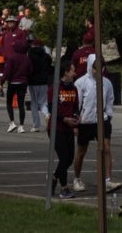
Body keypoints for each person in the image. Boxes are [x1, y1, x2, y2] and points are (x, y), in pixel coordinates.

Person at [72, 54, 121, 193]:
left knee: (106, 148)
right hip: (85, 121)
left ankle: (107, 180)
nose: (98, 71)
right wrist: (76, 123)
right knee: (81, 151)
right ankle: (77, 178)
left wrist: (109, 115)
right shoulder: (80, 83)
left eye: (101, 68)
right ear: (90, 67)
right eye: (95, 68)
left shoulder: (107, 83)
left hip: (102, 120)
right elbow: (77, 104)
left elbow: (110, 100)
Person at [49, 63, 81, 200]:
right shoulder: (55, 88)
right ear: (65, 73)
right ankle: (64, 189)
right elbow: (52, 109)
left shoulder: (73, 89)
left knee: (68, 159)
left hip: (69, 128)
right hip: (56, 128)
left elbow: (75, 107)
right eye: (72, 71)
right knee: (63, 158)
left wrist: (76, 117)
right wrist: (64, 119)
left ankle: (54, 177)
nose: (75, 74)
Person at [0, 19, 30, 132]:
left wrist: (1, 82)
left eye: (11, 22)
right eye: (8, 22)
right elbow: (30, 69)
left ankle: (13, 123)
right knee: (21, 104)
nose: (9, 24)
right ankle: (21, 126)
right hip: (22, 82)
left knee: (10, 102)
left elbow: (7, 72)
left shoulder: (12, 58)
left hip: (13, 82)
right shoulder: (26, 59)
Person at [27, 38, 53, 132]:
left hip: (33, 81)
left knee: (34, 102)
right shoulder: (46, 56)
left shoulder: (30, 55)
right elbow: (49, 65)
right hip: (44, 81)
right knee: (43, 101)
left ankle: (36, 125)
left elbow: (28, 68)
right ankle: (47, 114)